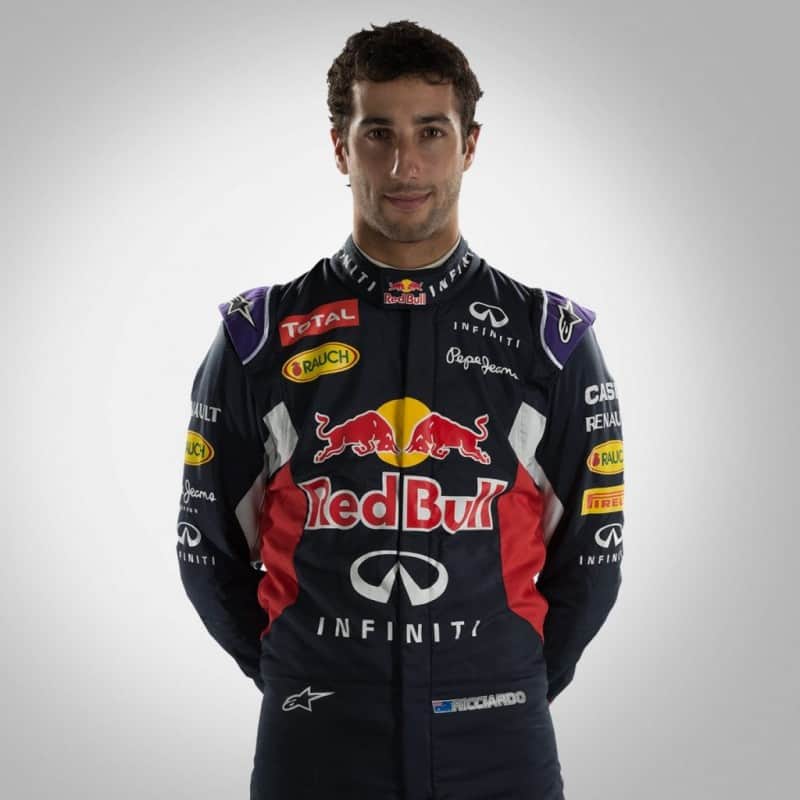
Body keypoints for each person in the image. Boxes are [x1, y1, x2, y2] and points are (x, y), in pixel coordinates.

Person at [176, 19, 624, 800]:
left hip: (499, 746)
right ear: (340, 148)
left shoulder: (549, 340)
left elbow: (593, 560)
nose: (404, 164)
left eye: (431, 133)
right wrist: (299, 674)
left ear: (470, 146)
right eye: (377, 132)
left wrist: (503, 681)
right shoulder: (260, 337)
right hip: (315, 743)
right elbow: (206, 552)